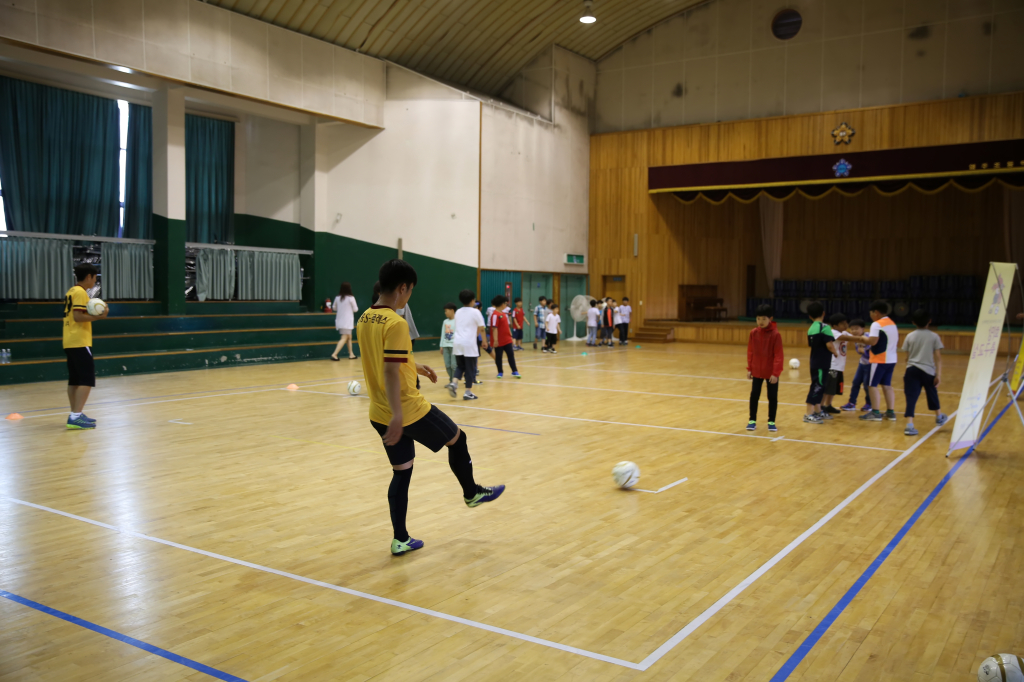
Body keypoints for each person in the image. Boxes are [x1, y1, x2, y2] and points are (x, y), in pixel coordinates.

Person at [358, 259, 504, 556]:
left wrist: (415, 366)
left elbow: (385, 359)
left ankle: (400, 539)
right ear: (402, 288)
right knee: (458, 439)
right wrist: (400, 415)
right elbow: (388, 370)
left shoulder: (365, 318)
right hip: (407, 409)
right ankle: (471, 492)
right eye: (410, 290)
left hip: (378, 412)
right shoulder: (396, 322)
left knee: (402, 472)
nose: (408, 295)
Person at [63, 264, 109, 430]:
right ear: (89, 276)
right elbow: (78, 317)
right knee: (86, 379)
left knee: (75, 379)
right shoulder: (81, 293)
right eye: (95, 278)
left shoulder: (71, 291)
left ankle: (76, 413)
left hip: (69, 339)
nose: (95, 281)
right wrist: (100, 316)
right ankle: (75, 416)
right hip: (79, 340)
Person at [901, 309, 949, 436]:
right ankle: (939, 417)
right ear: (930, 321)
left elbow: (907, 356)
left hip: (911, 370)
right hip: (928, 370)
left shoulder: (909, 336)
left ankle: (909, 425)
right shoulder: (934, 336)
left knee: (911, 397)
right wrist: (938, 374)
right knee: (932, 392)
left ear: (913, 322)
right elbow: (938, 357)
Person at [857, 301, 900, 423]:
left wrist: (862, 338)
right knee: (887, 385)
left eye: (871, 313)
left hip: (879, 359)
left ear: (875, 312)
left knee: (872, 385)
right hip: (891, 359)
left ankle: (875, 412)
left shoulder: (876, 324)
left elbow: (872, 341)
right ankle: (890, 412)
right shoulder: (892, 323)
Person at [746, 303, 783, 432]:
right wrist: (749, 369)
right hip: (756, 370)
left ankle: (771, 421)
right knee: (754, 395)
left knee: (772, 396)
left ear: (770, 319)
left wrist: (776, 373)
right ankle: (752, 420)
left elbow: (778, 355)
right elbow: (750, 351)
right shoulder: (753, 333)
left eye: (764, 319)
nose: (760, 322)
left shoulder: (775, 335)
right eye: (758, 319)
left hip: (771, 372)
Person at [447, 290, 489, 400]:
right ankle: (468, 392)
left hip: (458, 342)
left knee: (460, 366)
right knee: (470, 368)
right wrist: (484, 341)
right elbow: (482, 329)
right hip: (469, 343)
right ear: (472, 300)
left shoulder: (458, 312)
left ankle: (454, 383)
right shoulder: (476, 312)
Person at [804, 301, 838, 424]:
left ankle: (818, 411)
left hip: (814, 361)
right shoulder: (825, 327)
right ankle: (809, 413)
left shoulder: (810, 329)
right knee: (817, 386)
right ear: (823, 313)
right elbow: (829, 345)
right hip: (822, 363)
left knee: (820, 385)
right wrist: (835, 352)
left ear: (809, 316)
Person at [840, 318, 872, 412]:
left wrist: (864, 352)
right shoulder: (856, 339)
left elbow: (871, 354)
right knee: (855, 383)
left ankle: (869, 404)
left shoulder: (868, 337)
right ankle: (852, 403)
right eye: (852, 329)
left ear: (863, 329)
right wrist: (862, 351)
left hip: (870, 365)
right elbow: (859, 352)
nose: (854, 331)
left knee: (867, 385)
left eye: (856, 328)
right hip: (862, 363)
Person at [821, 313, 849, 416]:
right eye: (842, 324)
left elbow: (854, 335)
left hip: (840, 366)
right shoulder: (833, 332)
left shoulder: (845, 332)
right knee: (827, 388)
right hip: (832, 366)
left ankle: (828, 405)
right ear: (835, 325)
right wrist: (862, 339)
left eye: (846, 323)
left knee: (833, 388)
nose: (846, 325)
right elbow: (850, 338)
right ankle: (821, 406)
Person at [489, 295, 521, 379]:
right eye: (505, 303)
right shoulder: (495, 315)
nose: (506, 305)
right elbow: (494, 328)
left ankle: (514, 371)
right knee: (499, 356)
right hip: (499, 340)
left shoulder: (503, 313)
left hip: (507, 339)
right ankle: (500, 372)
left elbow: (506, 326)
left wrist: (510, 334)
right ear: (501, 304)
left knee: (511, 354)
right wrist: (495, 340)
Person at [330, 282, 359, 361]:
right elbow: (356, 309)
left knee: (349, 337)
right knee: (344, 337)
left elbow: (334, 308)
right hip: (347, 321)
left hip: (340, 320)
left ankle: (351, 354)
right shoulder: (351, 298)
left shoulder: (337, 297)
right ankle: (335, 354)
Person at [440, 303, 457, 384]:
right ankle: (451, 380)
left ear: (452, 310)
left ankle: (453, 382)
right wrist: (441, 345)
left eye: (446, 311)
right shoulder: (445, 321)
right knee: (447, 365)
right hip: (446, 345)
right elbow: (443, 334)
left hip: (454, 346)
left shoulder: (458, 320)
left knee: (454, 365)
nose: (445, 313)